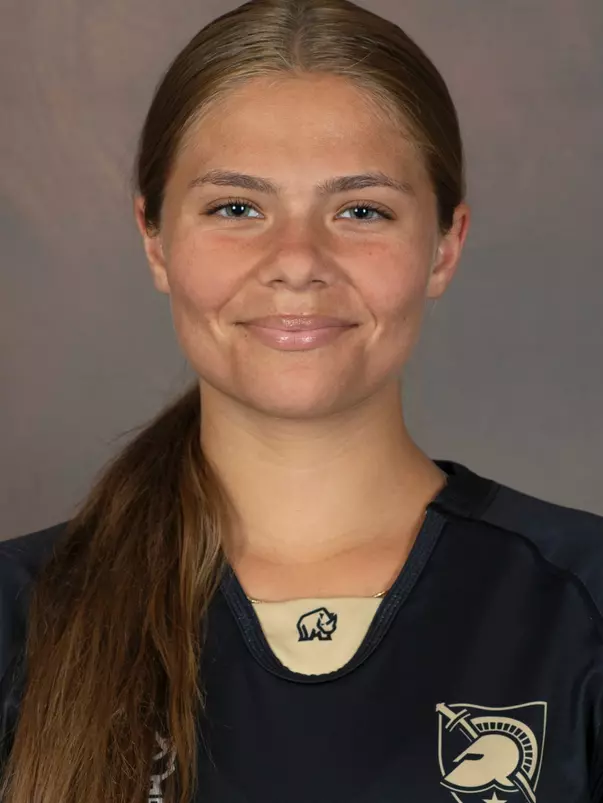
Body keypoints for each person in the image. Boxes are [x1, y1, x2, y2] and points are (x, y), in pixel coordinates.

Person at [1, 0, 602, 801]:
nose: (296, 262)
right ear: (155, 240)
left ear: (443, 247)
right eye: (235, 208)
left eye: (361, 210)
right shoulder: (20, 614)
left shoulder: (581, 601)